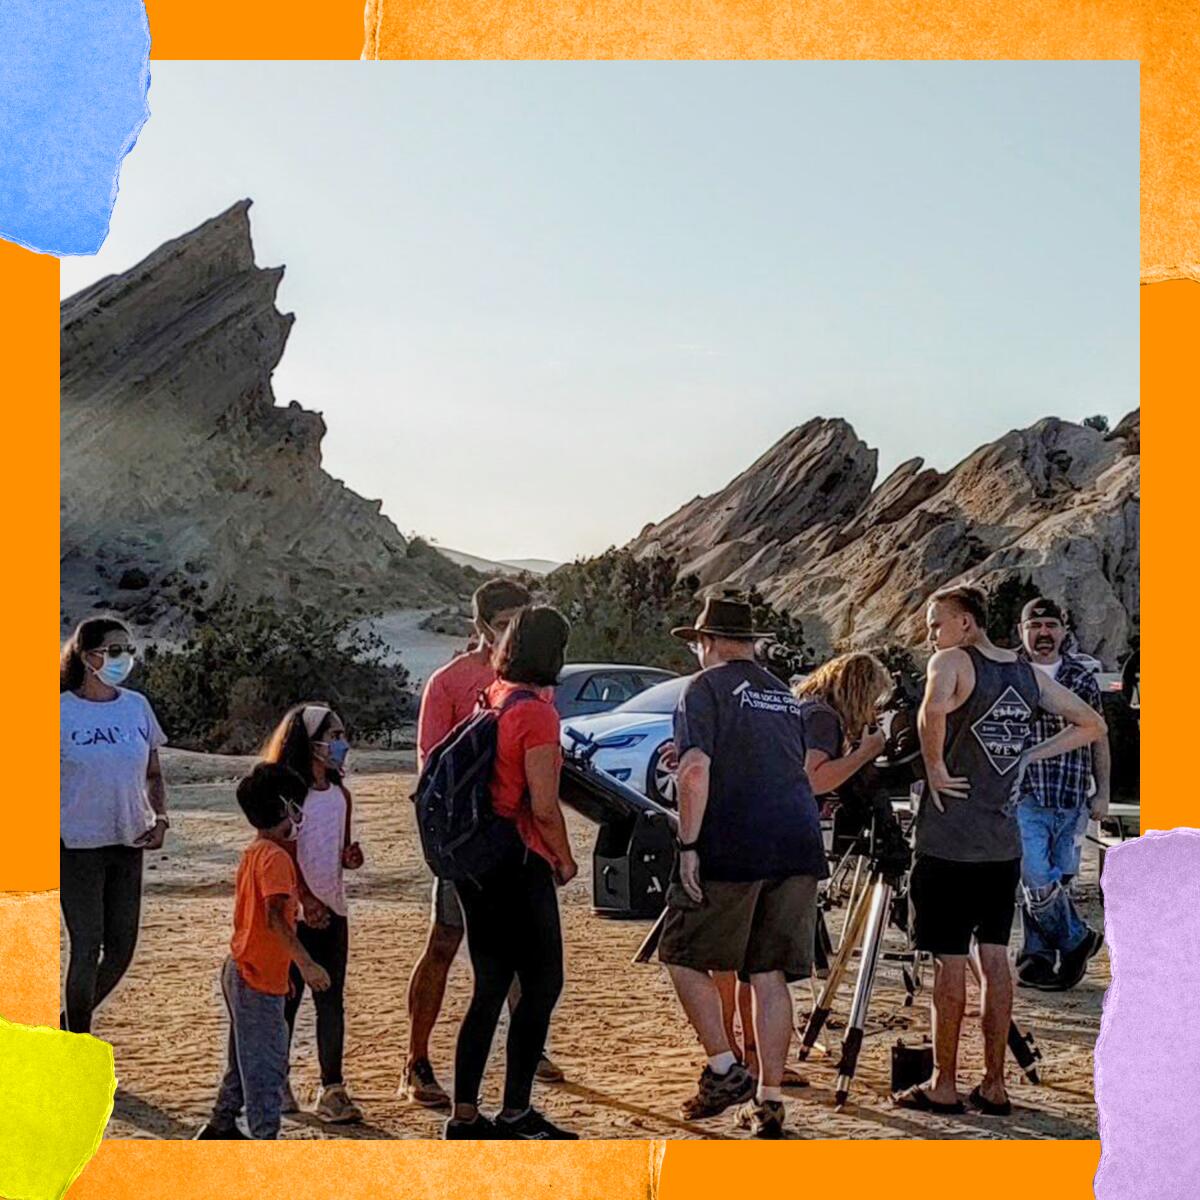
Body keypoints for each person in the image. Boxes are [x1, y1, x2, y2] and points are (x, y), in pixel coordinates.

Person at [897, 585, 1106, 1118]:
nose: (930, 634)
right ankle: (994, 1084)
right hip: (1001, 845)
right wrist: (1031, 754)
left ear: (965, 623)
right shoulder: (1027, 675)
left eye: (935, 622)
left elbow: (931, 710)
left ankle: (945, 1084)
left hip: (948, 842)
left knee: (948, 965)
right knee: (994, 960)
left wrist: (937, 768)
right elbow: (1092, 724)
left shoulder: (952, 661)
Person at [657, 595, 827, 1140]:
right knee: (768, 971)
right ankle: (770, 1098)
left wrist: (688, 844)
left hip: (735, 840)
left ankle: (724, 1066)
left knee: (681, 952)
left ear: (706, 643)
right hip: (797, 842)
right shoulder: (782, 694)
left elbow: (696, 770)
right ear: (752, 643)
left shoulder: (702, 688)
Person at [403, 578, 564, 1105]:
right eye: (506, 622)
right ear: (482, 626)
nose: (513, 632)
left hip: (518, 845)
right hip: (472, 840)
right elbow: (432, 768)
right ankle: (417, 1059)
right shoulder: (449, 683)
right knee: (447, 942)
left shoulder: (532, 682)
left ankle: (520, 1057)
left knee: (514, 959)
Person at [445, 605, 580, 1141]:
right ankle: (517, 1111)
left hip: (478, 858)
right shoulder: (538, 713)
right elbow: (543, 806)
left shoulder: (494, 696)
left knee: (489, 986)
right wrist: (565, 859)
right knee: (542, 984)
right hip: (519, 858)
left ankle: (465, 1114)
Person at [195, 763, 331, 1140]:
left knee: (243, 1059)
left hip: (246, 969)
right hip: (254, 978)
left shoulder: (256, 852)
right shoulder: (276, 858)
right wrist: (306, 964)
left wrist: (284, 971)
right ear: (284, 807)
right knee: (266, 1068)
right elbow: (274, 919)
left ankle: (222, 1123)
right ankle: (263, 1140)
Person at [60, 617, 169, 1033]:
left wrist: (160, 818)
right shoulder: (59, 712)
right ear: (89, 657)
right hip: (76, 845)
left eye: (129, 650)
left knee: (121, 949)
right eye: (115, 650)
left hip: (128, 840)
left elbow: (154, 773)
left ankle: (68, 1023)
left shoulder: (136, 707)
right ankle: (77, 1045)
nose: (125, 658)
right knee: (86, 946)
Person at [262, 703, 365, 1123]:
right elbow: (281, 854)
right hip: (294, 916)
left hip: (332, 909)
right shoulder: (289, 797)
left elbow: (337, 850)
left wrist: (350, 857)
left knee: (331, 1000)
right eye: (333, 735)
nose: (341, 743)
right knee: (287, 999)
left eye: (342, 734)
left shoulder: (340, 795)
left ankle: (332, 1086)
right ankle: (276, 1079)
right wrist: (305, 899)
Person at [1015, 598, 1109, 990]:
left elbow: (1100, 736)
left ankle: (1035, 958)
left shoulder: (1081, 677)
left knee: (1055, 880)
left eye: (1051, 625)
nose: (1044, 633)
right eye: (1035, 626)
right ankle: (1078, 940)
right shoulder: (1010, 674)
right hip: (1024, 793)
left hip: (1071, 794)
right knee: (1035, 874)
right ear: (1022, 631)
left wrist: (1103, 790)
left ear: (1063, 630)